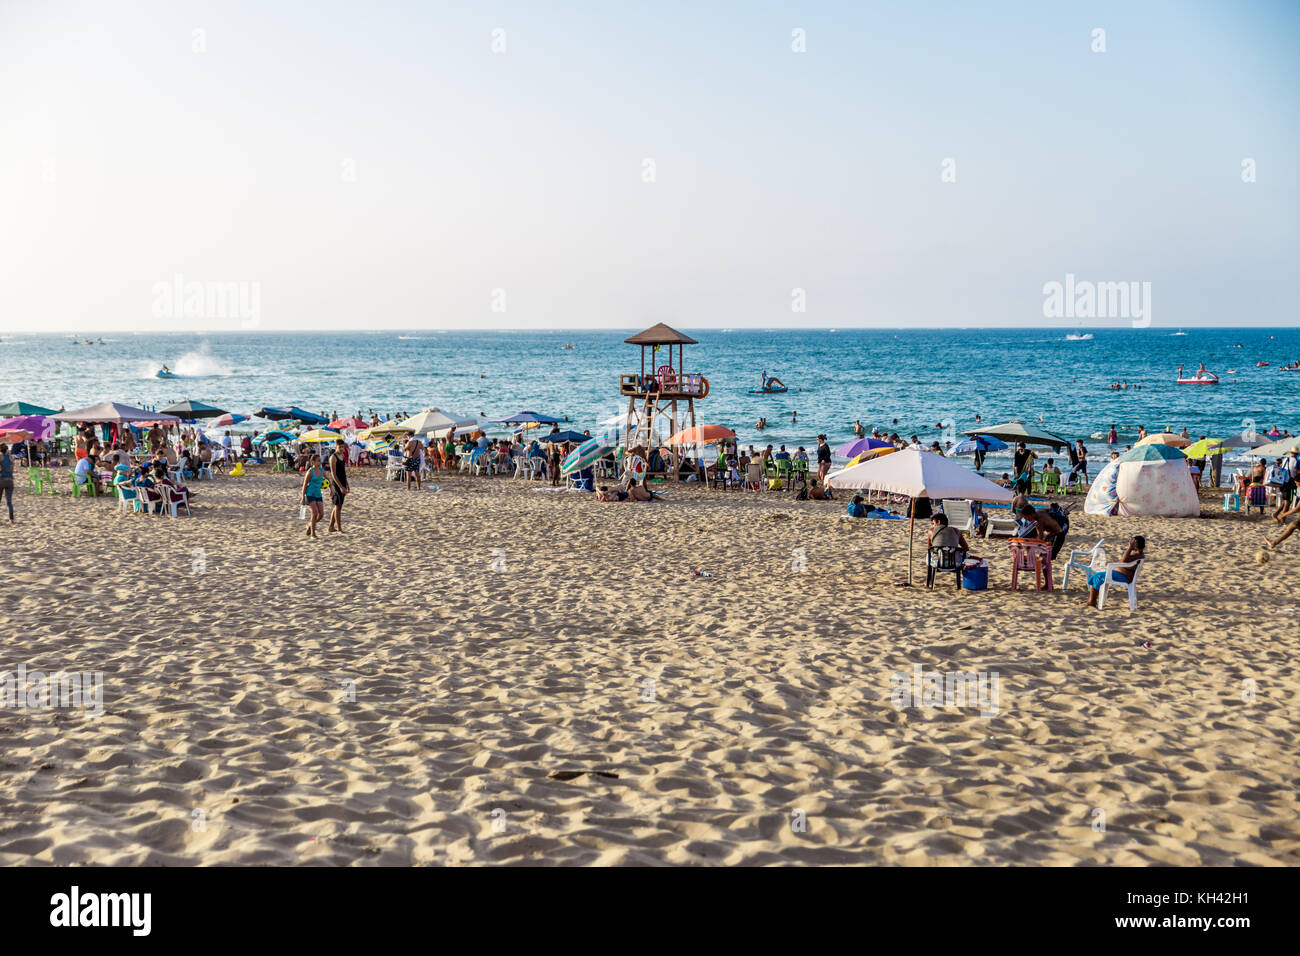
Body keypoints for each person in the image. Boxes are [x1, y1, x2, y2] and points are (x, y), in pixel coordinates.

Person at [1085, 536, 1145, 607]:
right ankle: (1092, 601)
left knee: (1097, 576)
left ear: (1134, 546)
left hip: (1123, 577)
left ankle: (1092, 602)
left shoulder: (1138, 556)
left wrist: (1130, 547)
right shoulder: (1138, 555)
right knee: (1096, 575)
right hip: (1119, 574)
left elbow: (1124, 560)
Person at [300, 453, 325, 538]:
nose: (320, 462)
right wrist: (303, 497)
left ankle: (310, 525)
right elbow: (304, 484)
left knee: (321, 514)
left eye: (320, 460)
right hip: (310, 494)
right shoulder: (310, 472)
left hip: (318, 494)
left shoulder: (322, 470)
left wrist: (331, 490)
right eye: (318, 461)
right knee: (314, 513)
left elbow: (327, 480)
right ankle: (313, 534)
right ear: (313, 462)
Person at [327, 439, 350, 533]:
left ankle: (331, 527)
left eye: (342, 447)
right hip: (336, 484)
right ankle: (339, 528)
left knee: (338, 506)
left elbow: (343, 472)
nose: (341, 449)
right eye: (339, 447)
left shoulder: (342, 456)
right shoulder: (333, 457)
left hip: (343, 482)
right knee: (338, 506)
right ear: (336, 446)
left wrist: (347, 484)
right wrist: (340, 486)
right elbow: (333, 474)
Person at [0, 443, 13, 522]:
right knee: (9, 502)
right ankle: (11, 519)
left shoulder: (0, 457)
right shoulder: (10, 457)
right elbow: (12, 469)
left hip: (1, 479)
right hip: (10, 480)